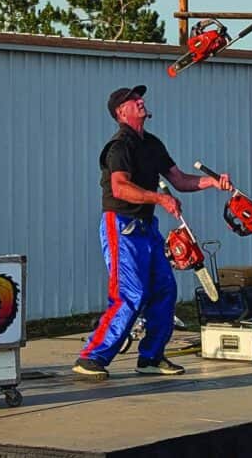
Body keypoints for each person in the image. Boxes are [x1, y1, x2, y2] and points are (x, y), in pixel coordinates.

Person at [72, 85, 232, 380]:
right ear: (122, 112)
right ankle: (91, 356)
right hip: (121, 225)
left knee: (165, 289)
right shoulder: (120, 147)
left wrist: (213, 182)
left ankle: (150, 357)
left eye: (139, 97)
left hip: (147, 227)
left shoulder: (152, 144)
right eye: (133, 100)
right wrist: (160, 198)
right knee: (130, 294)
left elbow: (181, 180)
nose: (140, 101)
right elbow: (120, 187)